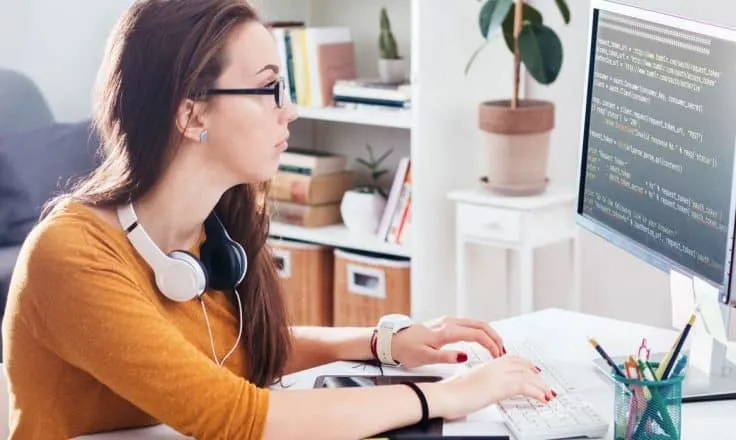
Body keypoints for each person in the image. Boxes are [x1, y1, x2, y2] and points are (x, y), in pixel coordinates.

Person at [1, 0, 555, 439]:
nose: (288, 110)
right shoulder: (71, 256)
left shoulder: (208, 234)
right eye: (269, 89)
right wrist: (448, 396)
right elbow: (237, 419)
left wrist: (384, 342)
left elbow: (237, 348)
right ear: (192, 112)